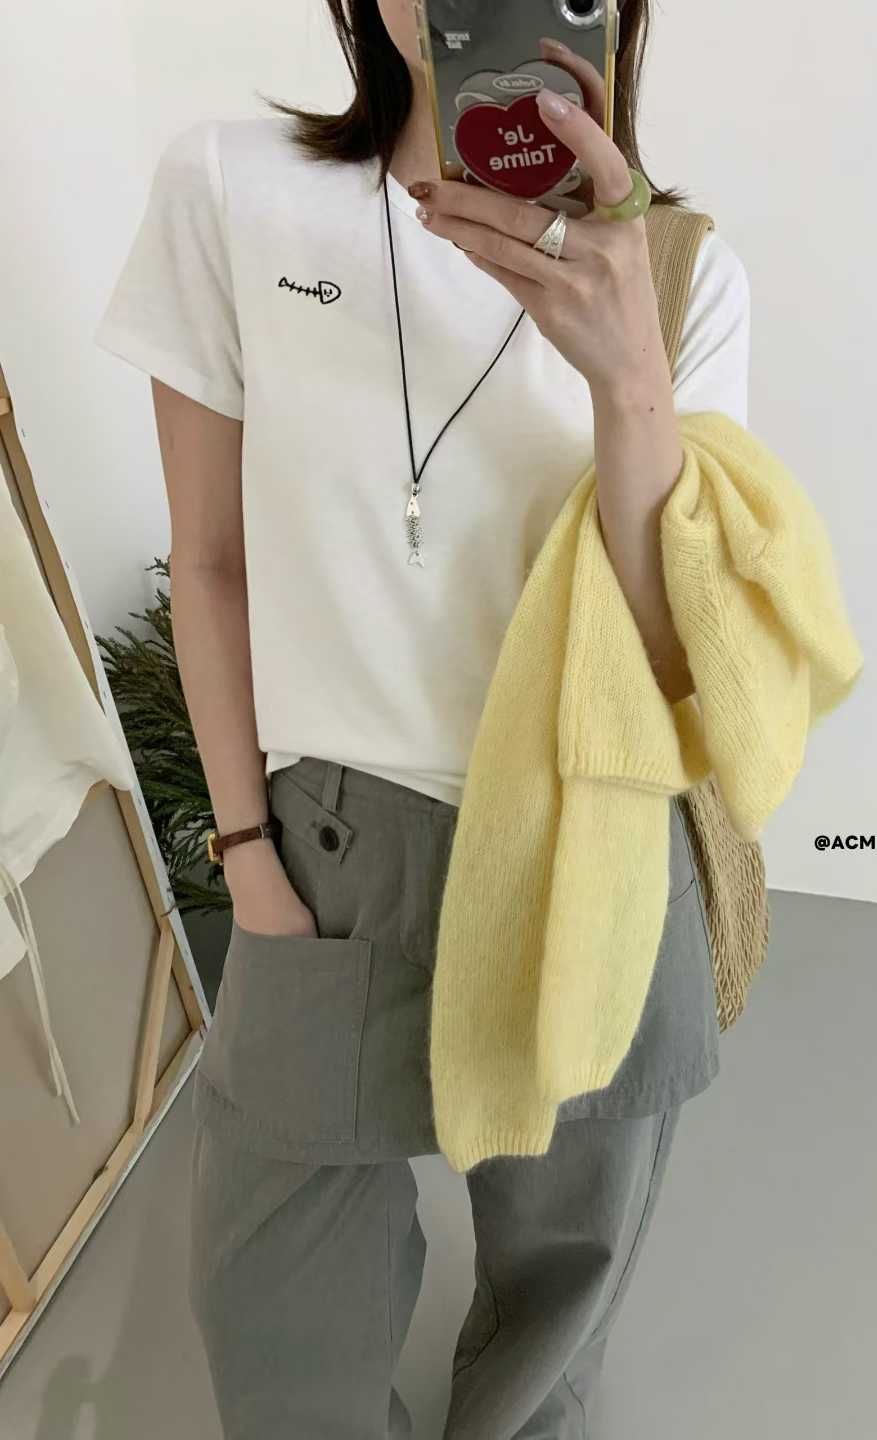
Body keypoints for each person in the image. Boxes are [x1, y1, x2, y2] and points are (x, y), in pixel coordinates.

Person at [94, 2, 751, 1435]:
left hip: (602, 843)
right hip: (334, 852)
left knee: (560, 1292)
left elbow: (673, 648)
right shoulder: (231, 189)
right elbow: (211, 560)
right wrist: (248, 854)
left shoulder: (681, 269)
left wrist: (630, 373)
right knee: (276, 1328)